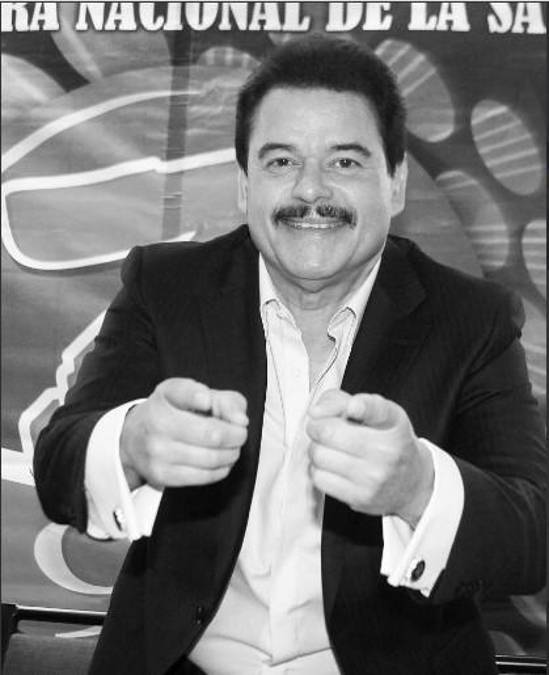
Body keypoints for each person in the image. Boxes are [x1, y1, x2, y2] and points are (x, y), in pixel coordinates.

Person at [33, 34, 545, 675]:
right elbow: (58, 468)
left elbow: (530, 538)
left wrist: (417, 487)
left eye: (345, 162)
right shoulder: (165, 288)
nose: (310, 191)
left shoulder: (471, 318)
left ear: (395, 184)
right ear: (244, 185)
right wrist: (131, 444)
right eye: (280, 162)